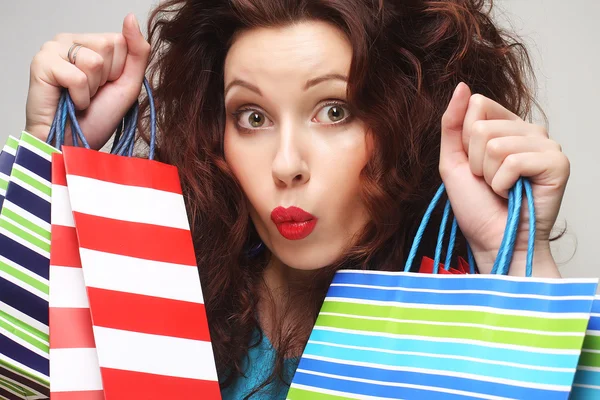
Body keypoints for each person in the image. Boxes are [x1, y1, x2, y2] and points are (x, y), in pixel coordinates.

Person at [23, 0, 570, 398]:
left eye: (334, 111)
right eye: (253, 117)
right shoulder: (157, 296)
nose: (286, 165)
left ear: (412, 124)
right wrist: (58, 164)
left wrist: (521, 256)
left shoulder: (462, 340)